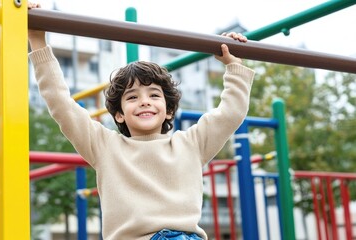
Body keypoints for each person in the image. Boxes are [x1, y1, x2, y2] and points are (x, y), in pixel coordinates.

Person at [28, 3, 255, 240]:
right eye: (133, 97)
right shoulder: (105, 147)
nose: (144, 102)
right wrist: (37, 40)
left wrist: (234, 65)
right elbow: (61, 105)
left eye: (154, 95)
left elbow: (231, 113)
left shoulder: (191, 143)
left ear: (168, 110)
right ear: (119, 114)